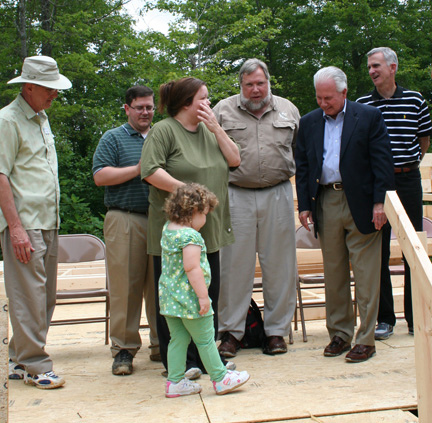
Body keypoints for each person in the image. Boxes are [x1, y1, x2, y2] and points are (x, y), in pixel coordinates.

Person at [140, 77, 241, 378]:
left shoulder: (210, 133)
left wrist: (217, 128)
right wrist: (189, 194)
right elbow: (150, 171)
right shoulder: (163, 130)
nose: (209, 104)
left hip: (208, 231)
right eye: (204, 99)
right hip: (177, 235)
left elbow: (235, 159)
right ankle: (181, 364)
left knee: (206, 294)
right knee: (175, 298)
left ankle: (205, 360)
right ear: (187, 103)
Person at [295, 66, 394, 363]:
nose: (323, 103)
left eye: (328, 98)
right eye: (319, 97)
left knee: (366, 274)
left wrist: (380, 204)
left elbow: (382, 163)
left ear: (344, 92)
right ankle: (339, 333)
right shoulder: (308, 122)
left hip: (363, 204)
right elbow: (302, 167)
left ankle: (365, 339)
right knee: (333, 272)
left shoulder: (368, 117)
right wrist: (304, 205)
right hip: (325, 200)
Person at [213, 58, 300, 356]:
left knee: (281, 266)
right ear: (240, 85)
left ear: (268, 82)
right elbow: (209, 154)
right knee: (234, 266)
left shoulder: (288, 110)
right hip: (235, 193)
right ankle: (232, 333)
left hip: (278, 192)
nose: (254, 90)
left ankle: (276, 332)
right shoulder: (222, 111)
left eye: (260, 83)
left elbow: (300, 151)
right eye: (248, 84)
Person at [0, 55, 72, 388]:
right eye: (49, 89)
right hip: (25, 222)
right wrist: (15, 228)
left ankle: (17, 357)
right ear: (29, 87)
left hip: (47, 220)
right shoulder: (8, 120)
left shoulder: (41, 118)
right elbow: (0, 175)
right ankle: (35, 366)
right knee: (29, 295)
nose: (55, 95)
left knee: (44, 297)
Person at [357, 47, 432, 339]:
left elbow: (423, 140)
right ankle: (385, 319)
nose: (372, 71)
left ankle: (416, 318)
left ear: (393, 67)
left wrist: (405, 164)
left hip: (408, 180)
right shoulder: (363, 104)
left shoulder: (415, 100)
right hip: (376, 185)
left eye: (376, 66)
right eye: (369, 67)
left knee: (413, 249)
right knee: (378, 251)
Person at [92, 85, 160, 375]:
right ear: (127, 109)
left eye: (149, 107)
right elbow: (100, 176)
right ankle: (123, 350)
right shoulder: (113, 138)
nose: (145, 112)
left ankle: (162, 345)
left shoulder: (162, 134)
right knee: (125, 289)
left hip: (161, 220)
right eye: (139, 107)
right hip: (125, 219)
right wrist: (139, 168)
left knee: (161, 287)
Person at [160, 183, 250, 397]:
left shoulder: (167, 230)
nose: (206, 220)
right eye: (205, 214)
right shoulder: (190, 237)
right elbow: (192, 268)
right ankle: (220, 378)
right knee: (205, 339)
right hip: (190, 300)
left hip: (170, 300)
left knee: (178, 339)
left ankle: (175, 382)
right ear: (193, 212)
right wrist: (203, 297)